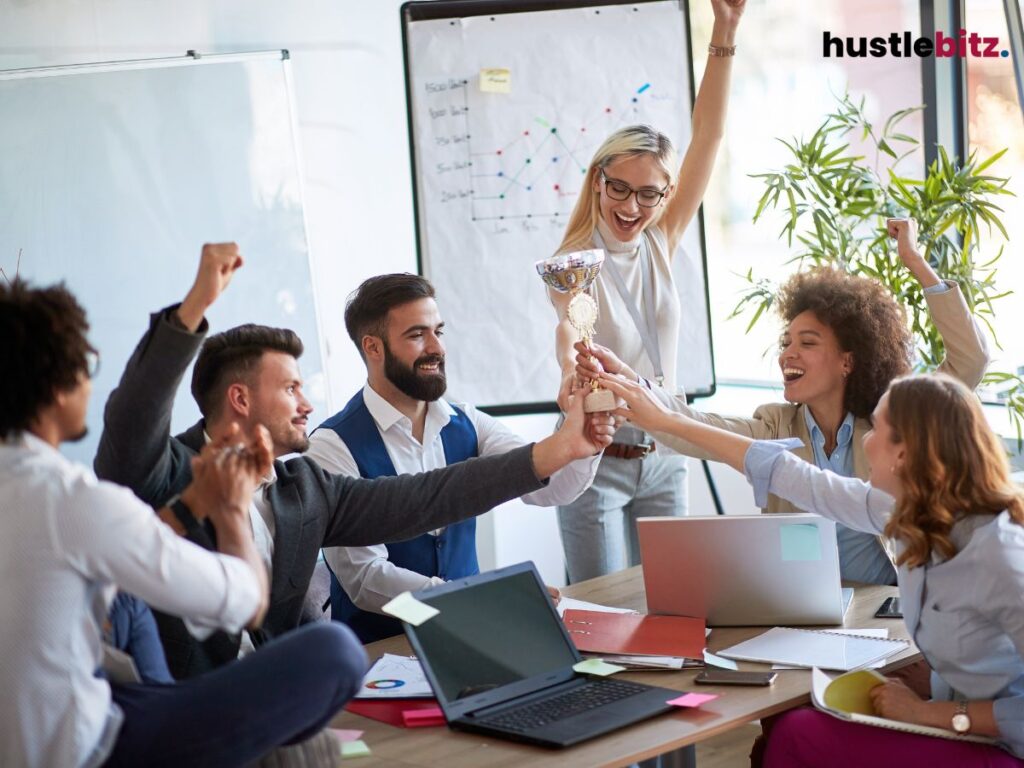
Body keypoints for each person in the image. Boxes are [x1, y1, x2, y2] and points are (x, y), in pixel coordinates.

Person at [94, 243, 612, 679]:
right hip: (188, 700)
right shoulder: (168, 473)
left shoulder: (303, 488)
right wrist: (193, 309)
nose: (307, 404)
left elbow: (430, 496)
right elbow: (132, 420)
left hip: (280, 693)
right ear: (241, 399)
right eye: (291, 388)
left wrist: (567, 445)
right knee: (336, 652)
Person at [0, 278, 369, 768]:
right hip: (82, 751)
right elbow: (246, 602)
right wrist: (230, 508)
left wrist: (194, 503)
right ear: (58, 383)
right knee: (337, 651)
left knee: (122, 601)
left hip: (63, 713)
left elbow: (121, 548)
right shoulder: (72, 498)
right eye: (88, 365)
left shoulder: (45, 497)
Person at [601, 370, 1024, 767]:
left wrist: (927, 714)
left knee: (798, 735)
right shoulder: (910, 511)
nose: (866, 442)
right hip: (960, 725)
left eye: (876, 429)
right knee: (793, 724)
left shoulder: (1001, 556)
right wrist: (666, 420)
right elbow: (794, 476)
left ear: (904, 452)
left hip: (1003, 748)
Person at [577, 218, 990, 585]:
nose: (787, 354)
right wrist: (629, 379)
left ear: (848, 361)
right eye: (786, 343)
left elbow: (970, 361)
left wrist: (915, 262)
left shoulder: (890, 423)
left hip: (881, 607)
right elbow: (693, 427)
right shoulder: (775, 426)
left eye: (807, 343)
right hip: (799, 606)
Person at [548, 0, 746, 583]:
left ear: (665, 195)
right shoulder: (573, 262)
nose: (632, 207)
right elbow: (569, 323)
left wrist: (725, 30)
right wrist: (569, 370)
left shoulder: (661, 238)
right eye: (620, 188)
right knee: (601, 610)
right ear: (598, 180)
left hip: (665, 450)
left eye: (649, 194)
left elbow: (709, 134)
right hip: (597, 456)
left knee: (675, 602)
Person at [307, 274, 601, 642]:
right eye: (417, 335)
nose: (437, 348)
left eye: (439, 332)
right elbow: (364, 580)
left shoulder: (468, 422)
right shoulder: (331, 446)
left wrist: (587, 443)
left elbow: (548, 489)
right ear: (373, 347)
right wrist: (474, 601)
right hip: (384, 648)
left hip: (474, 634)